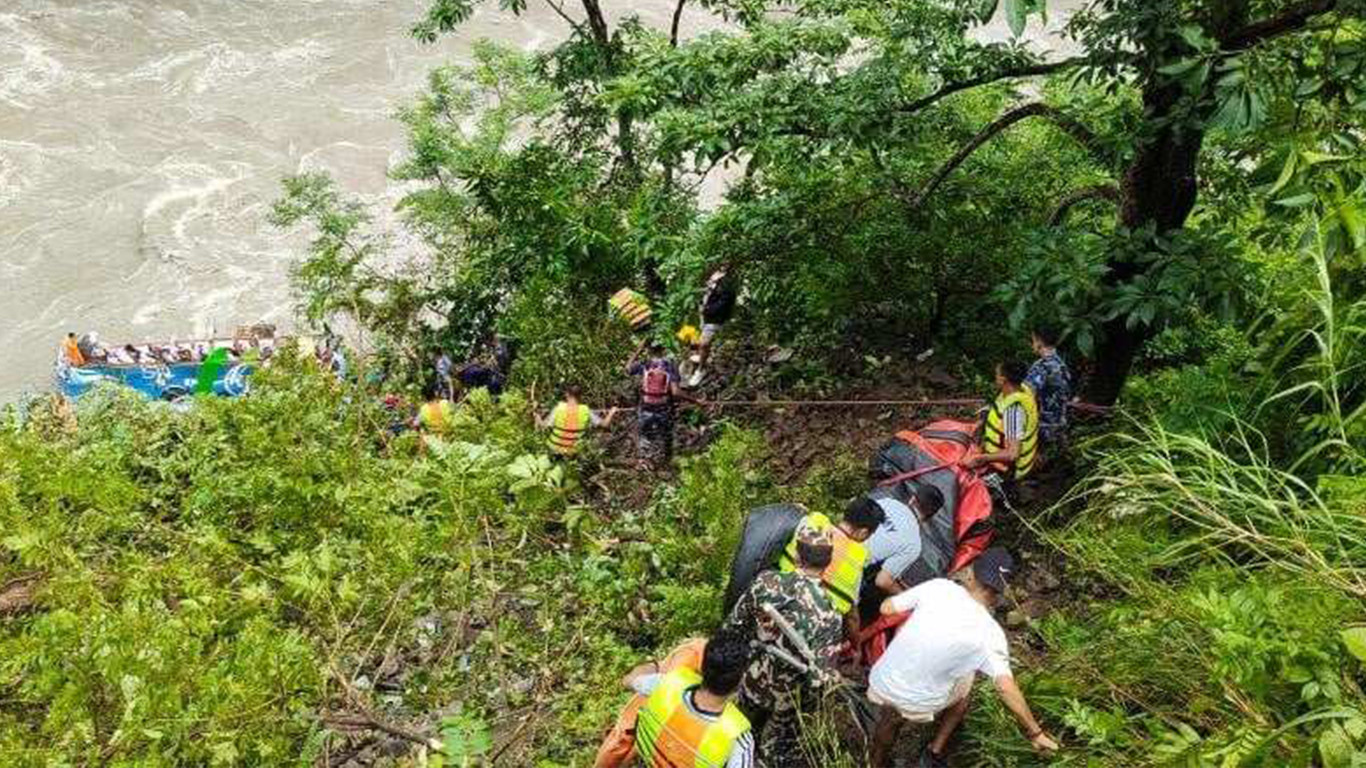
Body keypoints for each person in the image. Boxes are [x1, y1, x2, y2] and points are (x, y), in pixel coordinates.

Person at [867, 548, 1058, 768]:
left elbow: (886, 608)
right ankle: (935, 750)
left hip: (882, 681)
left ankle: (876, 762)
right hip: (918, 703)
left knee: (892, 716)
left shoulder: (939, 587)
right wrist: (1035, 733)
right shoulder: (991, 633)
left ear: (970, 574)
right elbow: (1005, 687)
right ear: (1002, 591)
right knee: (967, 678)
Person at [723, 524, 844, 767]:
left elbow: (733, 625)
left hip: (748, 678)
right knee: (771, 754)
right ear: (828, 564)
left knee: (729, 734)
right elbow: (819, 678)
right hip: (785, 698)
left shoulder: (766, 582)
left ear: (797, 555)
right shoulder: (829, 615)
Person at [624, 632, 755, 768]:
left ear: (703, 665)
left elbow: (628, 680)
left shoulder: (667, 684)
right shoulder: (737, 739)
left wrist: (656, 666)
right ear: (740, 681)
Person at [776, 501, 882, 617]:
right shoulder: (858, 557)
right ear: (863, 532)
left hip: (778, 591)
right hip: (810, 618)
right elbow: (851, 611)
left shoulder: (813, 522)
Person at [964, 360, 1038, 480]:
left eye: (997, 375)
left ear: (1003, 380)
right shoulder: (1019, 391)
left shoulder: (1013, 410)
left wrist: (981, 458)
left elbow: (1012, 454)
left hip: (1007, 470)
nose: (995, 378)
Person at [626, 342, 691, 469]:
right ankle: (666, 462)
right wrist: (696, 401)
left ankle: (645, 461)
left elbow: (628, 369)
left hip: (646, 406)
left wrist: (638, 350)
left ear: (649, 350)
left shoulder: (645, 364)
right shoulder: (669, 365)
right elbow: (676, 392)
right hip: (664, 408)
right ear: (663, 350)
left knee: (645, 435)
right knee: (666, 435)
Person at [1025, 324, 1074, 450]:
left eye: (1033, 340)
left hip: (1042, 429)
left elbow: (1026, 394)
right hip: (1060, 427)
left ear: (1039, 342)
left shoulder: (1042, 366)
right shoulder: (1062, 365)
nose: (1032, 344)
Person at [690, 268, 738, 387]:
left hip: (714, 318)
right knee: (695, 337)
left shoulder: (727, 283)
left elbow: (724, 302)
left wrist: (706, 309)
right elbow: (707, 292)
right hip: (705, 315)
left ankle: (700, 370)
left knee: (704, 343)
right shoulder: (713, 274)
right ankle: (700, 357)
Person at [539, 385, 617, 457]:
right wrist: (611, 412)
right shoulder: (586, 410)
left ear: (566, 394)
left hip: (554, 449)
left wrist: (536, 415)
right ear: (580, 396)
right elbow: (605, 424)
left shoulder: (559, 408)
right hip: (573, 452)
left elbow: (543, 426)